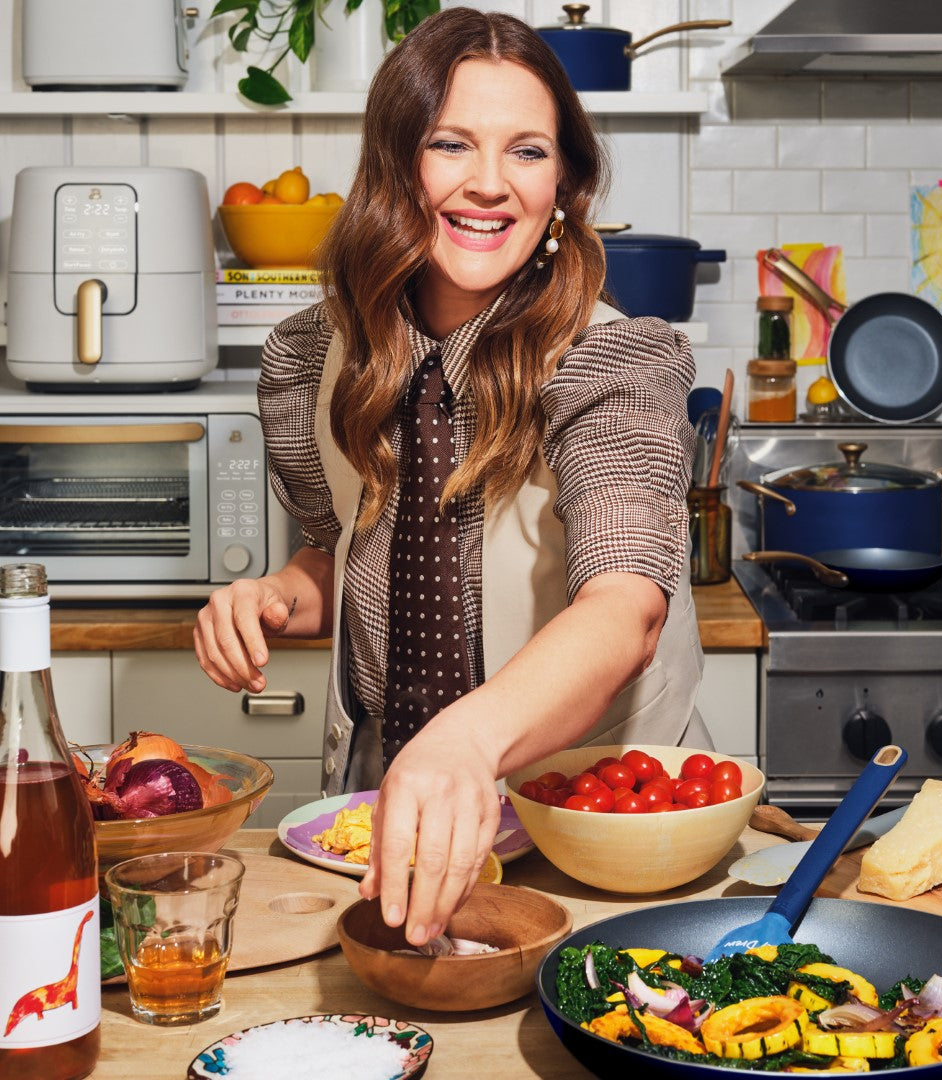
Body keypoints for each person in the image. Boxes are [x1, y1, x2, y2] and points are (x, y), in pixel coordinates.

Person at [194, 7, 707, 948]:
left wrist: (465, 741)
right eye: (451, 143)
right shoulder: (310, 358)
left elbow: (626, 604)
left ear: (564, 183)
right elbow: (336, 552)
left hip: (598, 837)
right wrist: (275, 596)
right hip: (386, 821)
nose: (489, 184)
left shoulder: (618, 361)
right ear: (396, 163)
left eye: (527, 152)